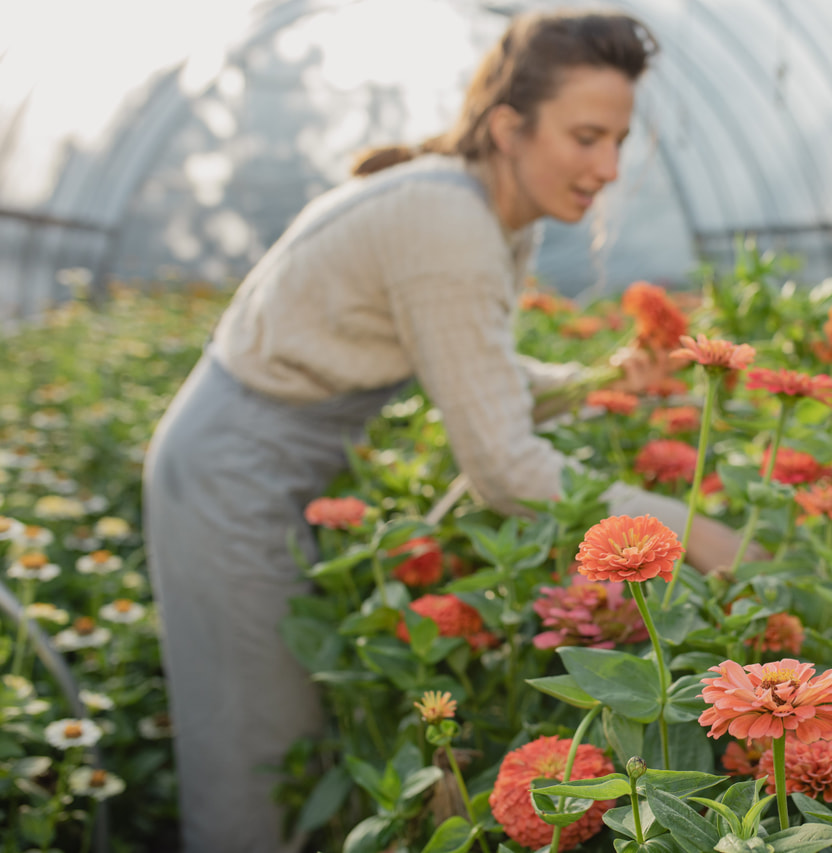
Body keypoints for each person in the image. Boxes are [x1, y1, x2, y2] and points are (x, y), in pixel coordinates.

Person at [143, 10, 758, 852]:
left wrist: (600, 381)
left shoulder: (487, 209)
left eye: (619, 140)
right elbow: (502, 465)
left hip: (266, 462)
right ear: (510, 127)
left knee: (293, 740)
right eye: (586, 137)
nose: (609, 167)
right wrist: (687, 531)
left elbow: (486, 381)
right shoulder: (449, 222)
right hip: (227, 472)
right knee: (260, 758)